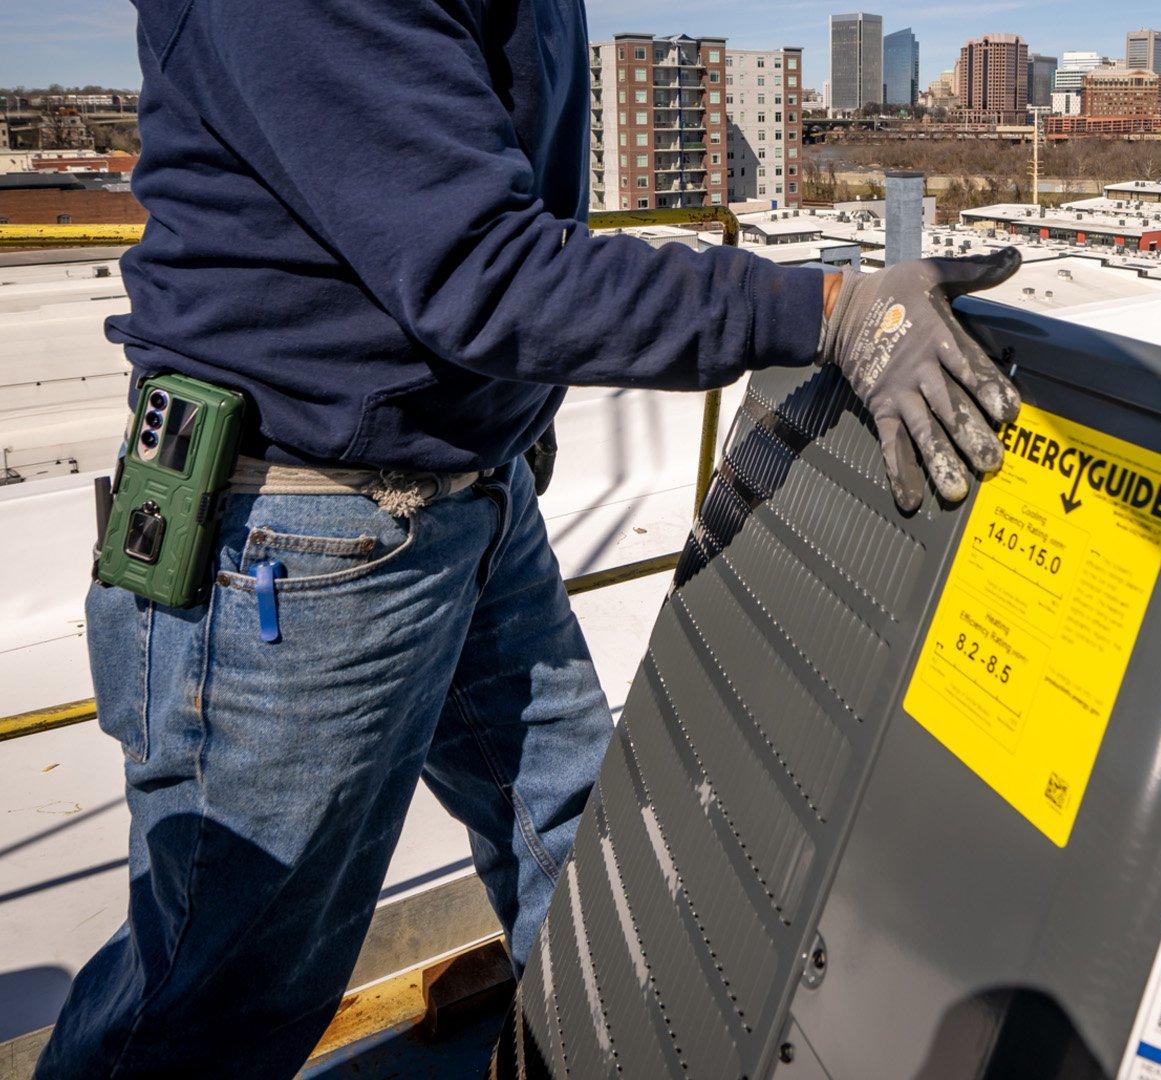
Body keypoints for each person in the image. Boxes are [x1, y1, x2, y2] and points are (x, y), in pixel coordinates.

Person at [37, 2, 1019, 1076]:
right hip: (301, 537)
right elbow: (483, 269)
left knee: (586, 854)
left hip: (464, 501)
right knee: (210, 998)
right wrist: (826, 307)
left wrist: (513, 426)